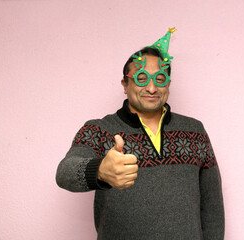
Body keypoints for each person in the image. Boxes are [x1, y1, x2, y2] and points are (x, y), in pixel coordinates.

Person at [56, 27, 225, 240]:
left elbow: (212, 207)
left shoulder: (194, 131)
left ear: (169, 84)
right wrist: (99, 170)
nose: (152, 88)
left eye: (160, 78)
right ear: (125, 85)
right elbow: (64, 172)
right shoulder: (99, 129)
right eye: (142, 78)